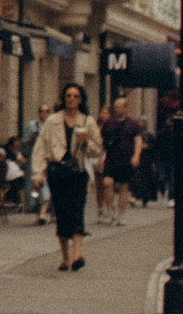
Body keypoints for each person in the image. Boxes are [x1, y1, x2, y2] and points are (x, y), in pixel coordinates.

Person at [33, 82, 104, 272]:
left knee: (77, 212)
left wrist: (85, 142)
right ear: (64, 99)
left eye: (75, 96)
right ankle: (65, 257)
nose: (71, 99)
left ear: (81, 100)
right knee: (62, 213)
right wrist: (37, 173)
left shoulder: (87, 122)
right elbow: (41, 147)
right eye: (68, 96)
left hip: (77, 173)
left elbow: (97, 150)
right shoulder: (52, 121)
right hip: (57, 172)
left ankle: (78, 254)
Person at [98, 95, 145, 227]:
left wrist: (136, 155)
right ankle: (110, 211)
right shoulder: (108, 123)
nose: (117, 109)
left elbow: (138, 140)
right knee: (108, 183)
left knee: (124, 187)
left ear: (125, 108)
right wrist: (101, 157)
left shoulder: (133, 124)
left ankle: (121, 214)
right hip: (111, 158)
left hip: (126, 159)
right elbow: (102, 141)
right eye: (116, 107)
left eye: (120, 107)